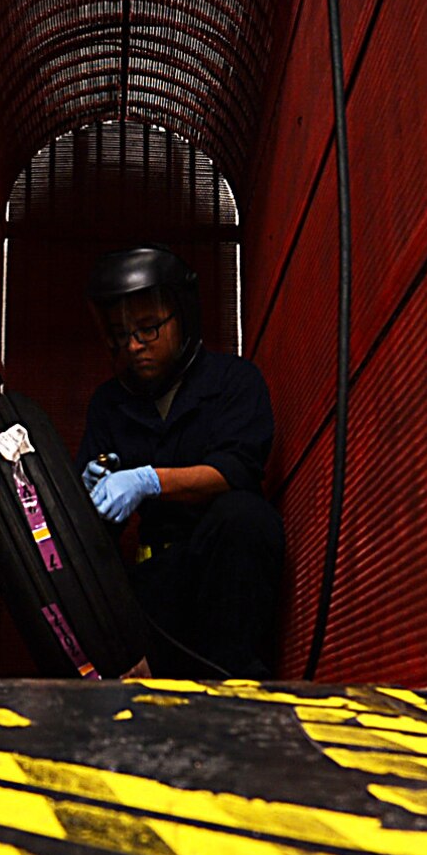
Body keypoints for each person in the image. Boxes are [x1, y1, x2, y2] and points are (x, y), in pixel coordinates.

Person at [77, 246, 285, 678]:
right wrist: (86, 491)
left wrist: (148, 480)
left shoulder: (234, 381)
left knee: (245, 515)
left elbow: (236, 470)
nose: (133, 345)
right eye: (120, 333)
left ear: (183, 317)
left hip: (224, 574)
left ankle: (230, 678)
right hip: (155, 584)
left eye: (148, 329)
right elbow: (95, 526)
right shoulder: (109, 403)